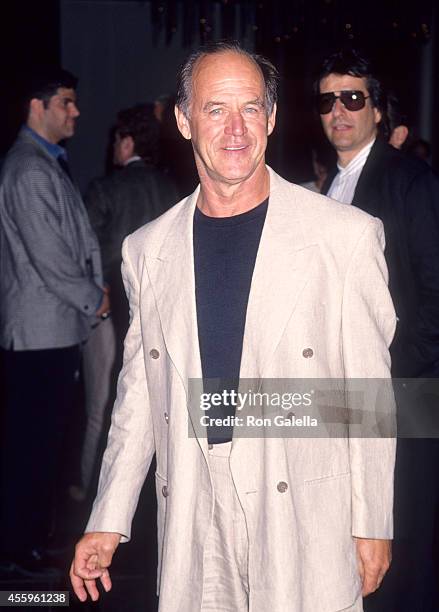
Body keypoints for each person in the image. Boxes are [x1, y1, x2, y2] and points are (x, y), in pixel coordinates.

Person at [70, 42, 396, 612]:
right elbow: (139, 397)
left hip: (302, 501)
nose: (236, 128)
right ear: (182, 119)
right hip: (194, 497)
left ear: (271, 117)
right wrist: (108, 517)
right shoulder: (147, 249)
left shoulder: (344, 237)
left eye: (250, 108)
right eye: (215, 109)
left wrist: (373, 522)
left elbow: (367, 396)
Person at [316, 48, 439, 611]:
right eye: (327, 100)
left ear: (377, 109)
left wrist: (392, 381)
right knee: (358, 536)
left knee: (401, 539)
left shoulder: (411, 182)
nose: (339, 110)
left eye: (352, 98)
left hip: (404, 393)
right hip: (347, 395)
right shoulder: (327, 189)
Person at [0, 67, 108, 575]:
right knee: (32, 447)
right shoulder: (28, 169)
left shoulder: (41, 164)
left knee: (40, 444)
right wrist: (95, 299)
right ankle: (22, 551)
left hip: (51, 332)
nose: (76, 112)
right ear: (36, 106)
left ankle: (29, 541)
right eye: (66, 102)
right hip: (39, 336)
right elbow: (49, 255)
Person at [75, 104, 177, 499]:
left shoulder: (105, 188)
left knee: (101, 405)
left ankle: (90, 492)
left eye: (116, 140)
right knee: (155, 404)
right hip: (159, 312)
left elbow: (83, 253)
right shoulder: (172, 190)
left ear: (127, 142)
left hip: (108, 310)